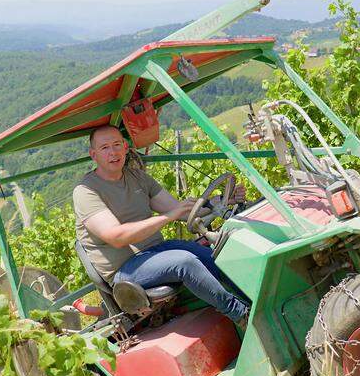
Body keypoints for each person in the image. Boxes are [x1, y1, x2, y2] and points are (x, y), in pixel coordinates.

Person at [73, 124, 249, 325]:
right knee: (184, 262)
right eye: (105, 148)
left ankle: (252, 296)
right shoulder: (86, 191)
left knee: (212, 254)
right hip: (126, 271)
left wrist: (224, 199)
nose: (112, 152)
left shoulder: (137, 177)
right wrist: (168, 216)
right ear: (93, 154)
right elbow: (117, 237)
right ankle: (241, 314)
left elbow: (181, 210)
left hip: (156, 252)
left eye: (116, 145)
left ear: (125, 147)